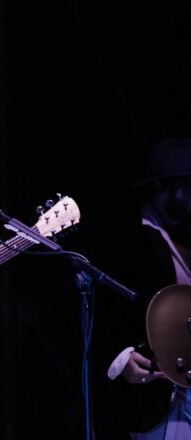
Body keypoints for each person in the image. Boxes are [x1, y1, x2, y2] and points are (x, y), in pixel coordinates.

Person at [93, 139, 191, 439]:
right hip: (160, 400)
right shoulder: (132, 241)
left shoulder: (184, 239)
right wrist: (119, 357)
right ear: (163, 188)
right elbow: (101, 310)